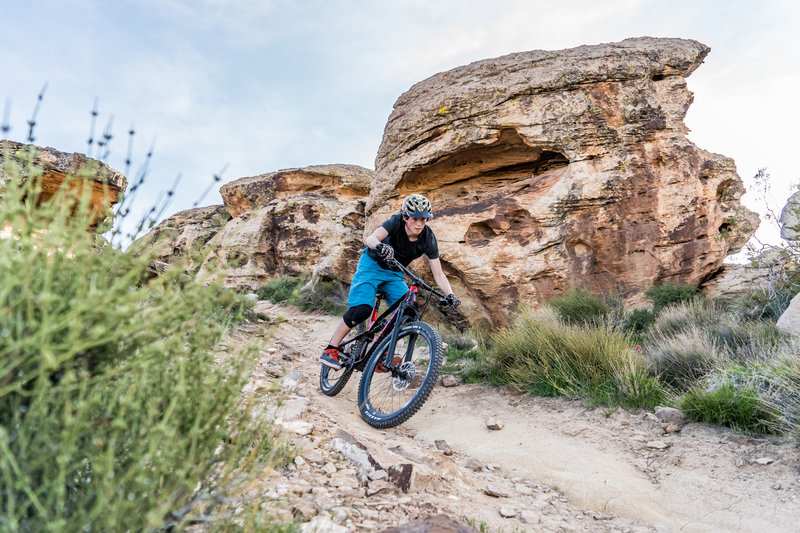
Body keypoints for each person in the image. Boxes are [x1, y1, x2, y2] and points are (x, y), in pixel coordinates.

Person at [319, 193, 460, 370]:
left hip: (394, 275)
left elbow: (439, 274)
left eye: (424, 219)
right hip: (371, 267)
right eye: (415, 218)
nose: (419, 224)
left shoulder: (428, 238)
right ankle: (331, 349)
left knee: (408, 314)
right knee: (362, 310)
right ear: (405, 216)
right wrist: (380, 246)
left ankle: (383, 352)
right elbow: (370, 238)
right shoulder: (395, 222)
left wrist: (451, 295)